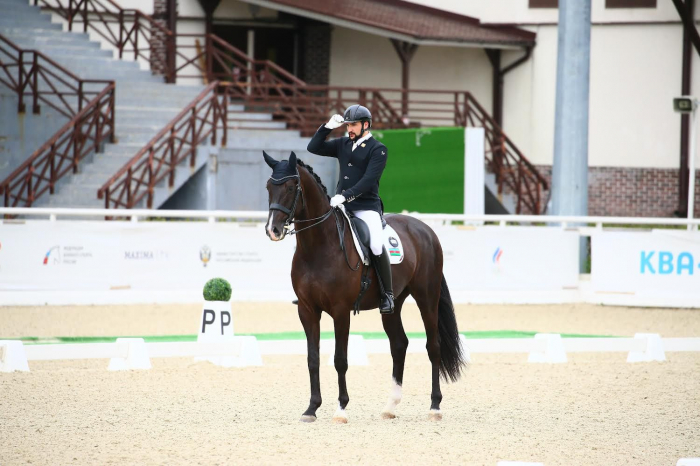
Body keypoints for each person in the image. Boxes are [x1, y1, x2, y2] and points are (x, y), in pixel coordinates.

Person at [306, 104, 394, 314]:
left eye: (353, 125)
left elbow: (368, 181)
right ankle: (309, 287)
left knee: (374, 244)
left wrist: (345, 196)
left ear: (365, 125)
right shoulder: (343, 144)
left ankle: (387, 294)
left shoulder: (378, 149)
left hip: (365, 207)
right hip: (341, 206)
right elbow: (313, 147)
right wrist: (327, 127)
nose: (349, 129)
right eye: (347, 126)